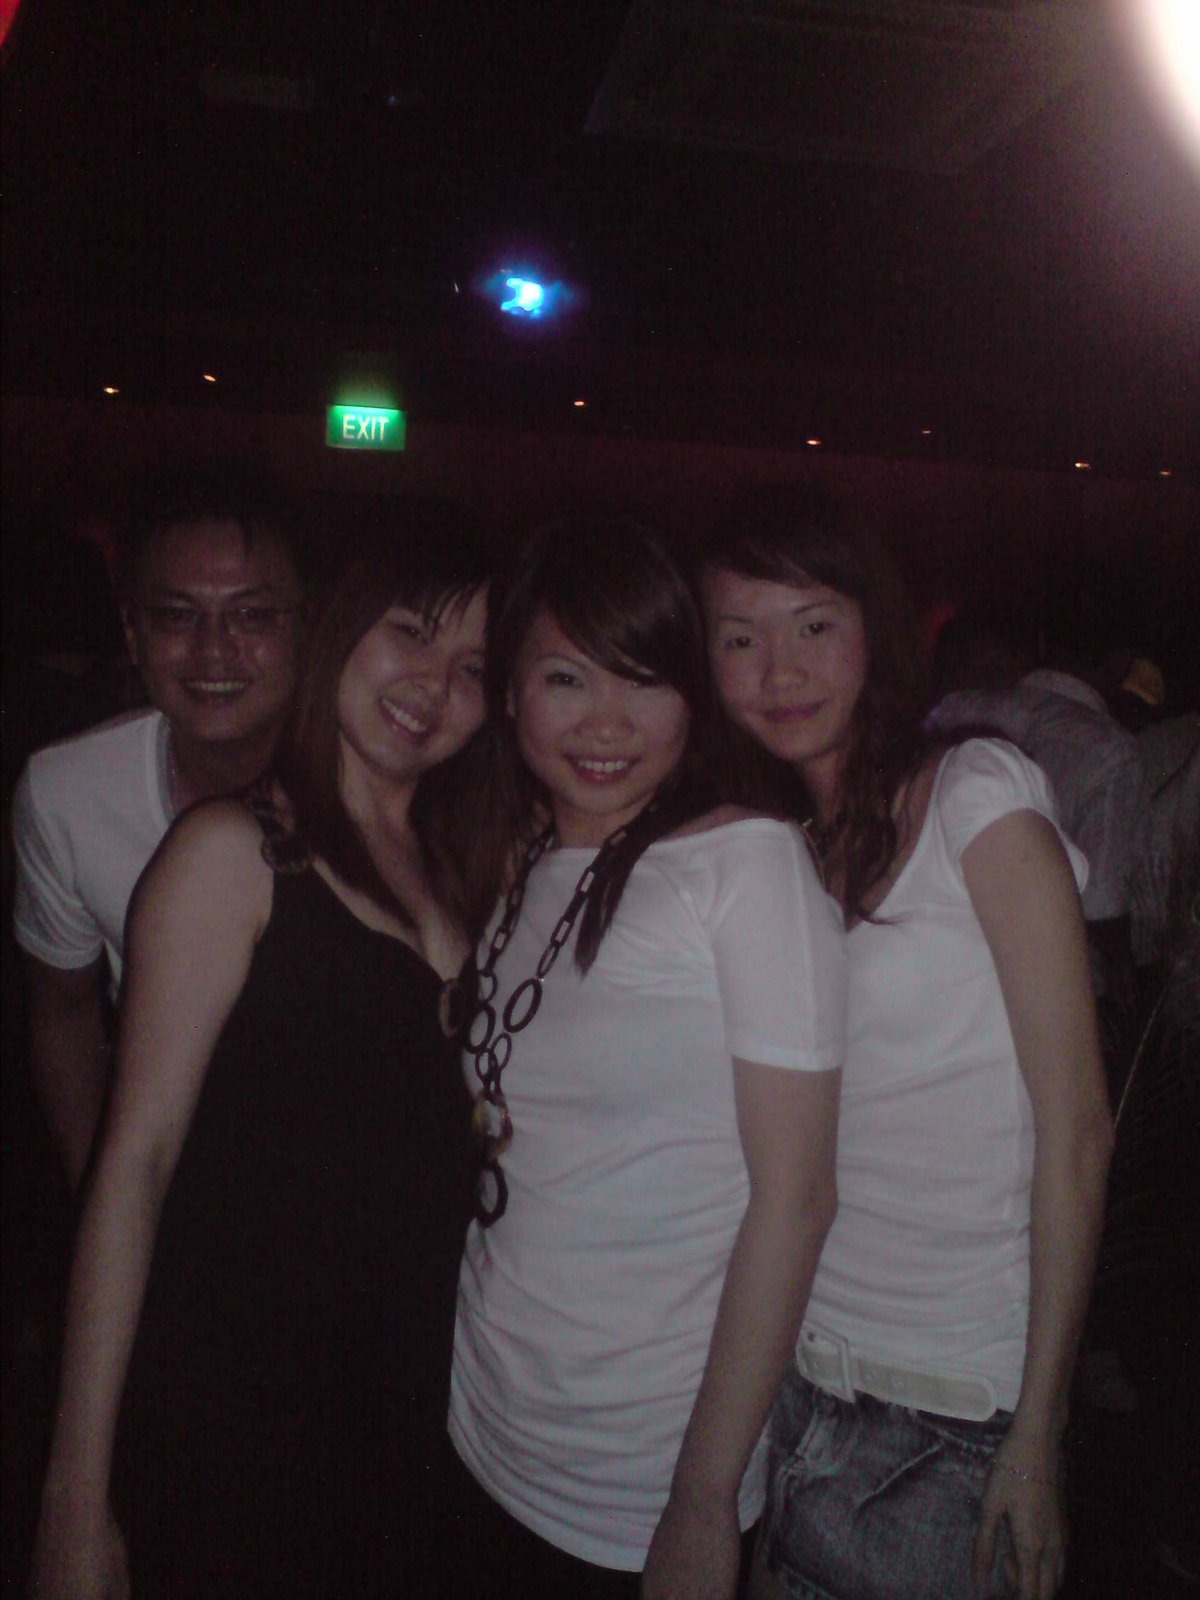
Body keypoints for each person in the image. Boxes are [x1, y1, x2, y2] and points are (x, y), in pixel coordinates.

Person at [30, 508, 506, 1599]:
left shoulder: (466, 864)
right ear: (341, 629)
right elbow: (132, 1168)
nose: (433, 684)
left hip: (412, 1407)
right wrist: (74, 1493)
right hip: (234, 1407)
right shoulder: (233, 854)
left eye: (475, 667)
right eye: (410, 632)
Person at [698, 485, 1113, 1600]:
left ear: (874, 631)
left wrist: (1040, 1430)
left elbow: (1078, 1129)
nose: (778, 671)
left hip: (952, 1424)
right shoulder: (783, 848)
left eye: (812, 625)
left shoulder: (974, 794)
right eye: (739, 638)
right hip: (800, 1383)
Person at [448, 516, 846, 1600]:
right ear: (512, 693)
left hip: (637, 1473)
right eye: (566, 678)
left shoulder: (744, 863)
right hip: (480, 1417)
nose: (606, 723)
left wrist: (703, 1499)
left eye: (644, 679)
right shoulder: (519, 858)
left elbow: (798, 1199)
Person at [12, 469, 308, 1192]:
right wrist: (102, 1193)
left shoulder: (373, 784)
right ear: (132, 634)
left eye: (251, 615)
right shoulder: (67, 793)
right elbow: (64, 1014)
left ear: (306, 626)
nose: (214, 651)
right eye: (177, 616)